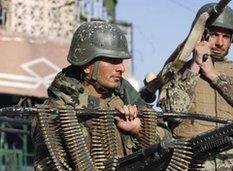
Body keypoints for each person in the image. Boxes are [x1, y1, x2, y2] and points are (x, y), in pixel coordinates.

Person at [32, 21, 171, 170]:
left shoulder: (128, 99)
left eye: (121, 61)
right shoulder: (55, 111)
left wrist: (138, 129)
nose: (122, 68)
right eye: (112, 61)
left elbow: (169, 143)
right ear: (87, 65)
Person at [158, 3, 233, 170]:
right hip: (191, 162)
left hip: (232, 163)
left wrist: (214, 76)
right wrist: (195, 67)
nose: (220, 42)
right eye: (214, 35)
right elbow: (173, 112)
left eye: (225, 36)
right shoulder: (176, 73)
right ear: (201, 35)